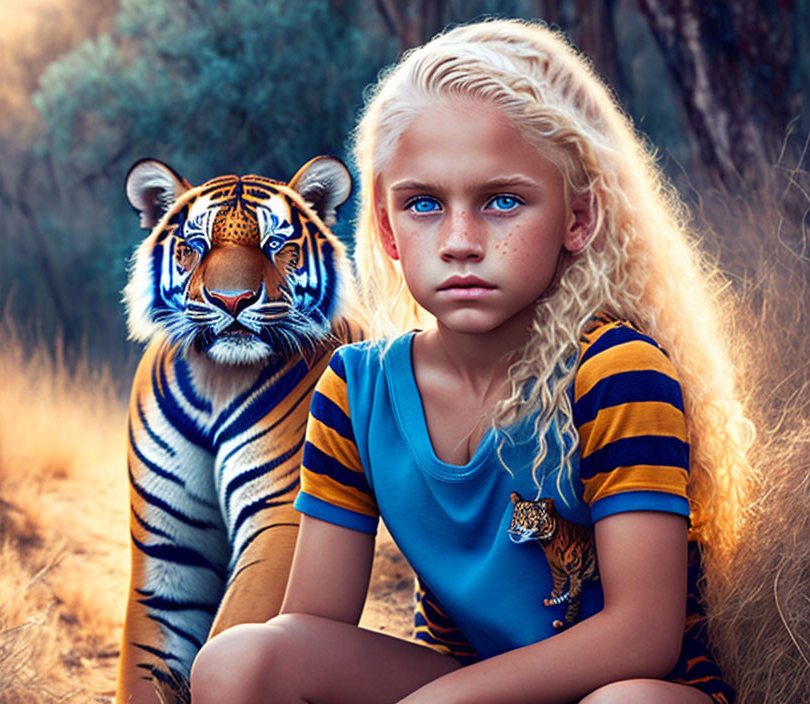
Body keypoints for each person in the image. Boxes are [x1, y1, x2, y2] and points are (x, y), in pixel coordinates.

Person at [190, 19, 753, 704]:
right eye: (424, 203)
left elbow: (642, 634)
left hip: (630, 690)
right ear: (387, 226)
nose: (460, 242)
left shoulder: (615, 372)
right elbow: (311, 628)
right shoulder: (355, 389)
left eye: (503, 201)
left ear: (579, 218)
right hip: (462, 682)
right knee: (238, 663)